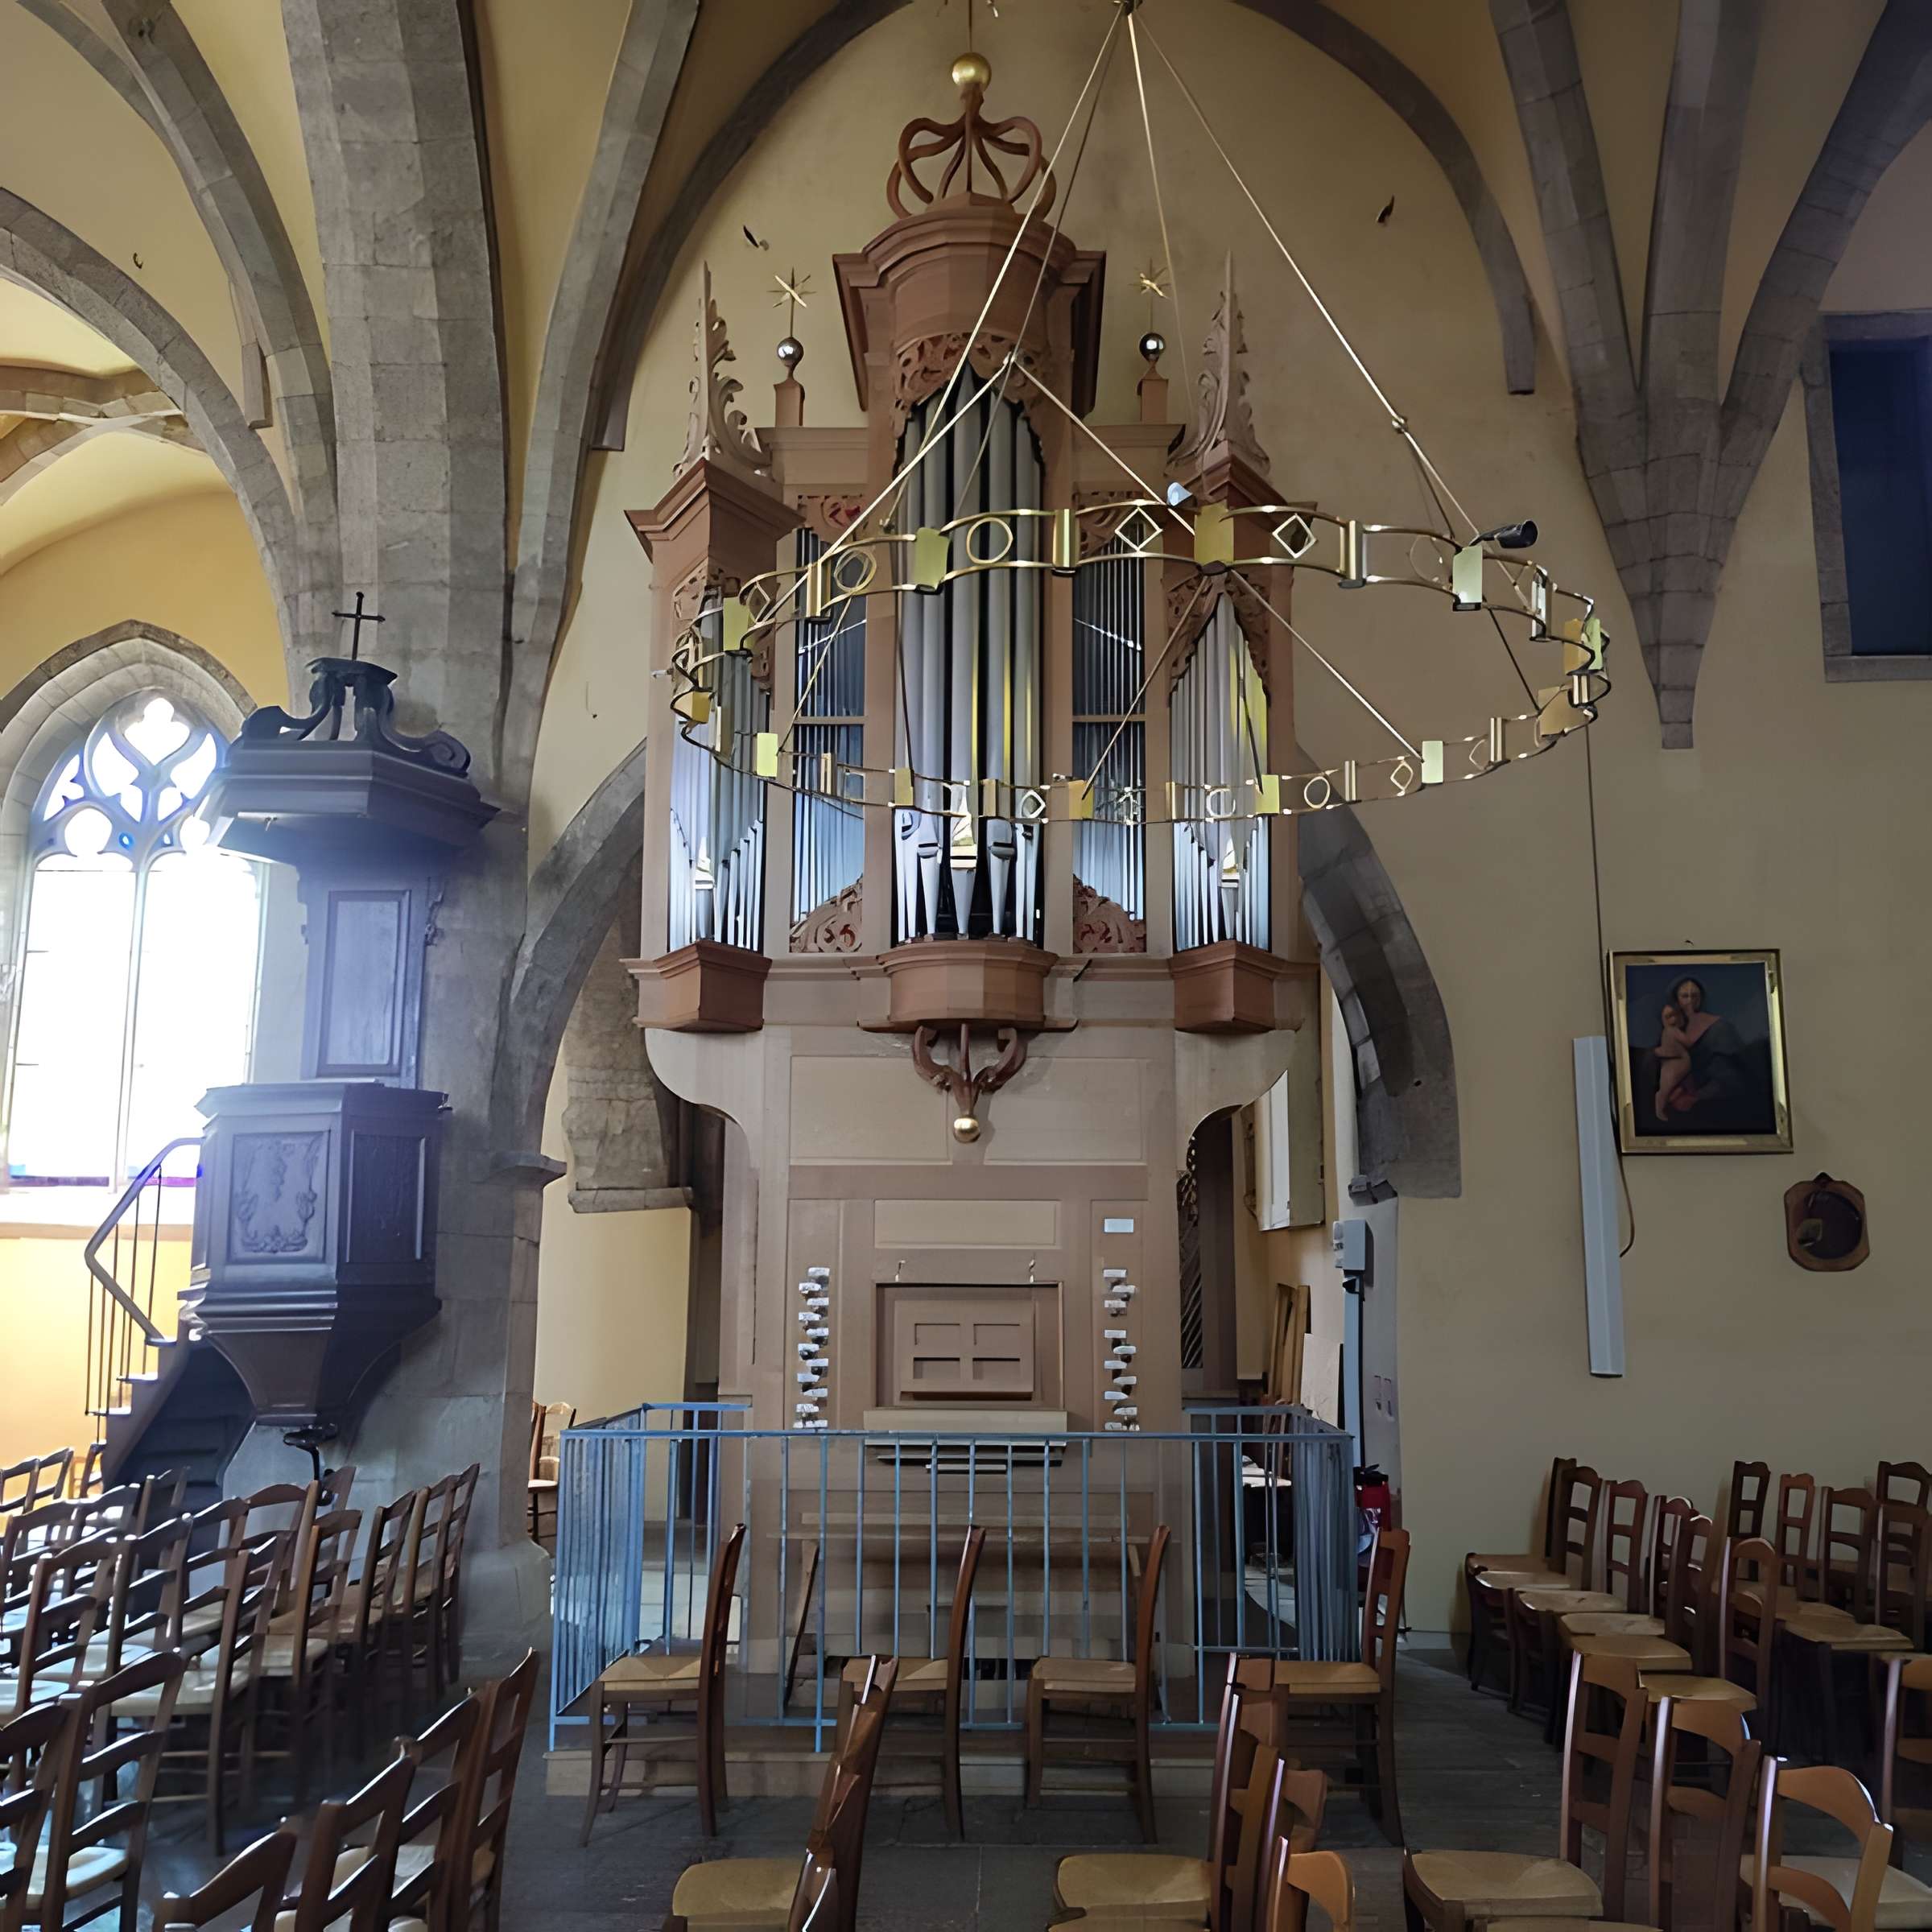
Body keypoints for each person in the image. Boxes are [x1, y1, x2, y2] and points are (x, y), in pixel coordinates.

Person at [1653, 999, 1695, 1120]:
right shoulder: (1673, 1031)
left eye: (1675, 1015)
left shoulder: (1667, 1032)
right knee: (1666, 1089)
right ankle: (1660, 1109)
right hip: (1674, 1066)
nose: (1673, 1019)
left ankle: (1673, 1103)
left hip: (1679, 1066)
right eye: (1669, 1017)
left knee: (1680, 1087)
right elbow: (1688, 1042)